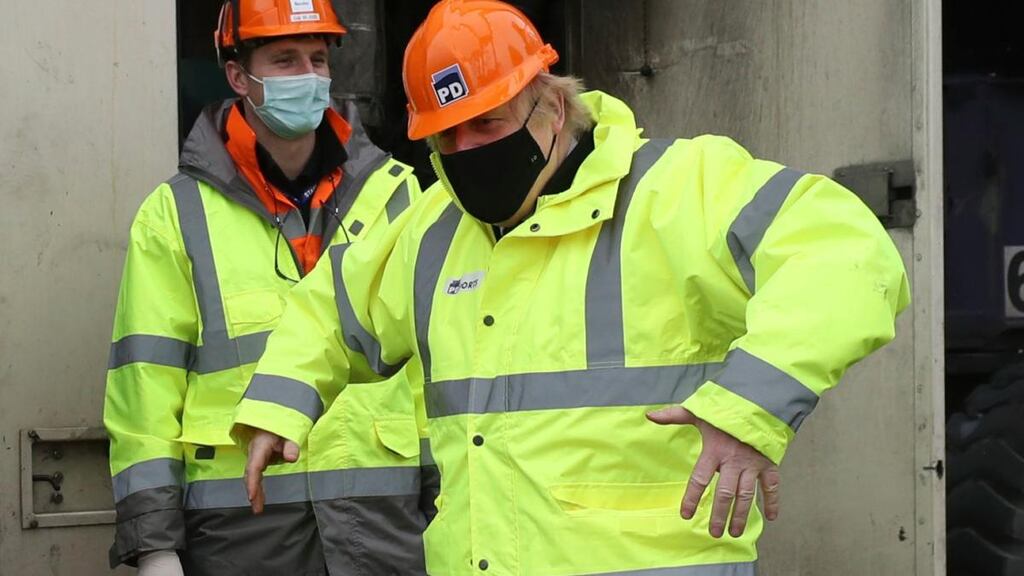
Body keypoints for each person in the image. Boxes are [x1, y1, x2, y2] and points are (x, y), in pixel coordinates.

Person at [232, 0, 911, 574]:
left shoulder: (677, 190)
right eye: (446, 138)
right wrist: (279, 402)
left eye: (488, 125)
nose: (467, 153)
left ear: (552, 106)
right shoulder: (434, 226)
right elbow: (334, 306)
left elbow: (848, 252)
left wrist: (750, 407)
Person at [103, 1, 430, 574]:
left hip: (385, 525)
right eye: (284, 60)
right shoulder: (175, 215)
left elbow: (444, 363)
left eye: (316, 59)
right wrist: (154, 546)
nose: (307, 76)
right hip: (243, 530)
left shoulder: (400, 197)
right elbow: (144, 395)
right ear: (238, 76)